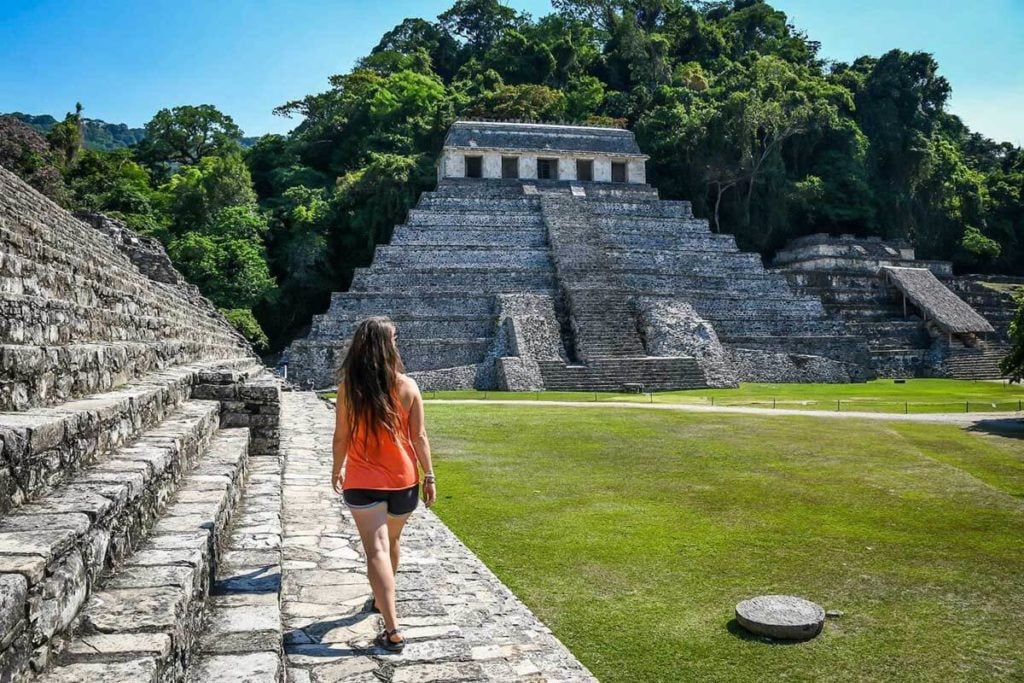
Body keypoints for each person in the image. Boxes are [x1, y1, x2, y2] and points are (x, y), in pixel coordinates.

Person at [331, 316, 436, 653]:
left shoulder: (350, 387)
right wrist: (429, 476)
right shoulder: (407, 386)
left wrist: (337, 468)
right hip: (403, 481)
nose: (397, 343)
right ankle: (381, 602)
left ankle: (391, 626)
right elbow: (418, 438)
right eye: (395, 338)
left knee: (375, 549)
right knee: (391, 541)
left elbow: (341, 437)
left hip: (363, 481)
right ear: (387, 344)